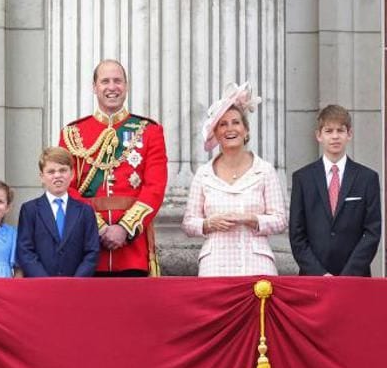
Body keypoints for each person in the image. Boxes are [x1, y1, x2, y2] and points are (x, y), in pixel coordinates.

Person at [60, 60, 167, 276]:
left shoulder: (149, 131)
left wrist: (125, 228)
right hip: (88, 247)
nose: (112, 87)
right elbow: (65, 188)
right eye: (105, 81)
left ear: (126, 86)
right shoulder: (73, 133)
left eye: (117, 81)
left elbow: (155, 187)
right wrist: (97, 227)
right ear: (94, 87)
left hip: (132, 249)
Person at [181, 82, 287, 277]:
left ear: (246, 131)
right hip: (214, 265)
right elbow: (188, 223)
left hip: (257, 265)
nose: (230, 129)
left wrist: (250, 218)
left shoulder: (264, 170)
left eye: (236, 122)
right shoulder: (204, 174)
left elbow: (280, 220)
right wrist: (208, 223)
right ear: (216, 134)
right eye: (223, 124)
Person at [289, 104, 381, 277]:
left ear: (349, 134)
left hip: (355, 278)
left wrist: (349, 274)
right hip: (313, 278)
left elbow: (372, 232)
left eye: (340, 130)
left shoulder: (367, 178)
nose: (335, 136)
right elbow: (297, 234)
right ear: (319, 136)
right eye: (329, 131)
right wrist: (320, 273)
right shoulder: (302, 178)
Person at [16, 147, 99, 277]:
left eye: (62, 170)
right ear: (42, 177)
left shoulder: (85, 211)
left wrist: (76, 282)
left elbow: (92, 251)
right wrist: (46, 282)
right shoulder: (30, 210)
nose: (57, 176)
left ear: (71, 174)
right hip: (40, 287)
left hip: (76, 286)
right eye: (51, 171)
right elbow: (25, 251)